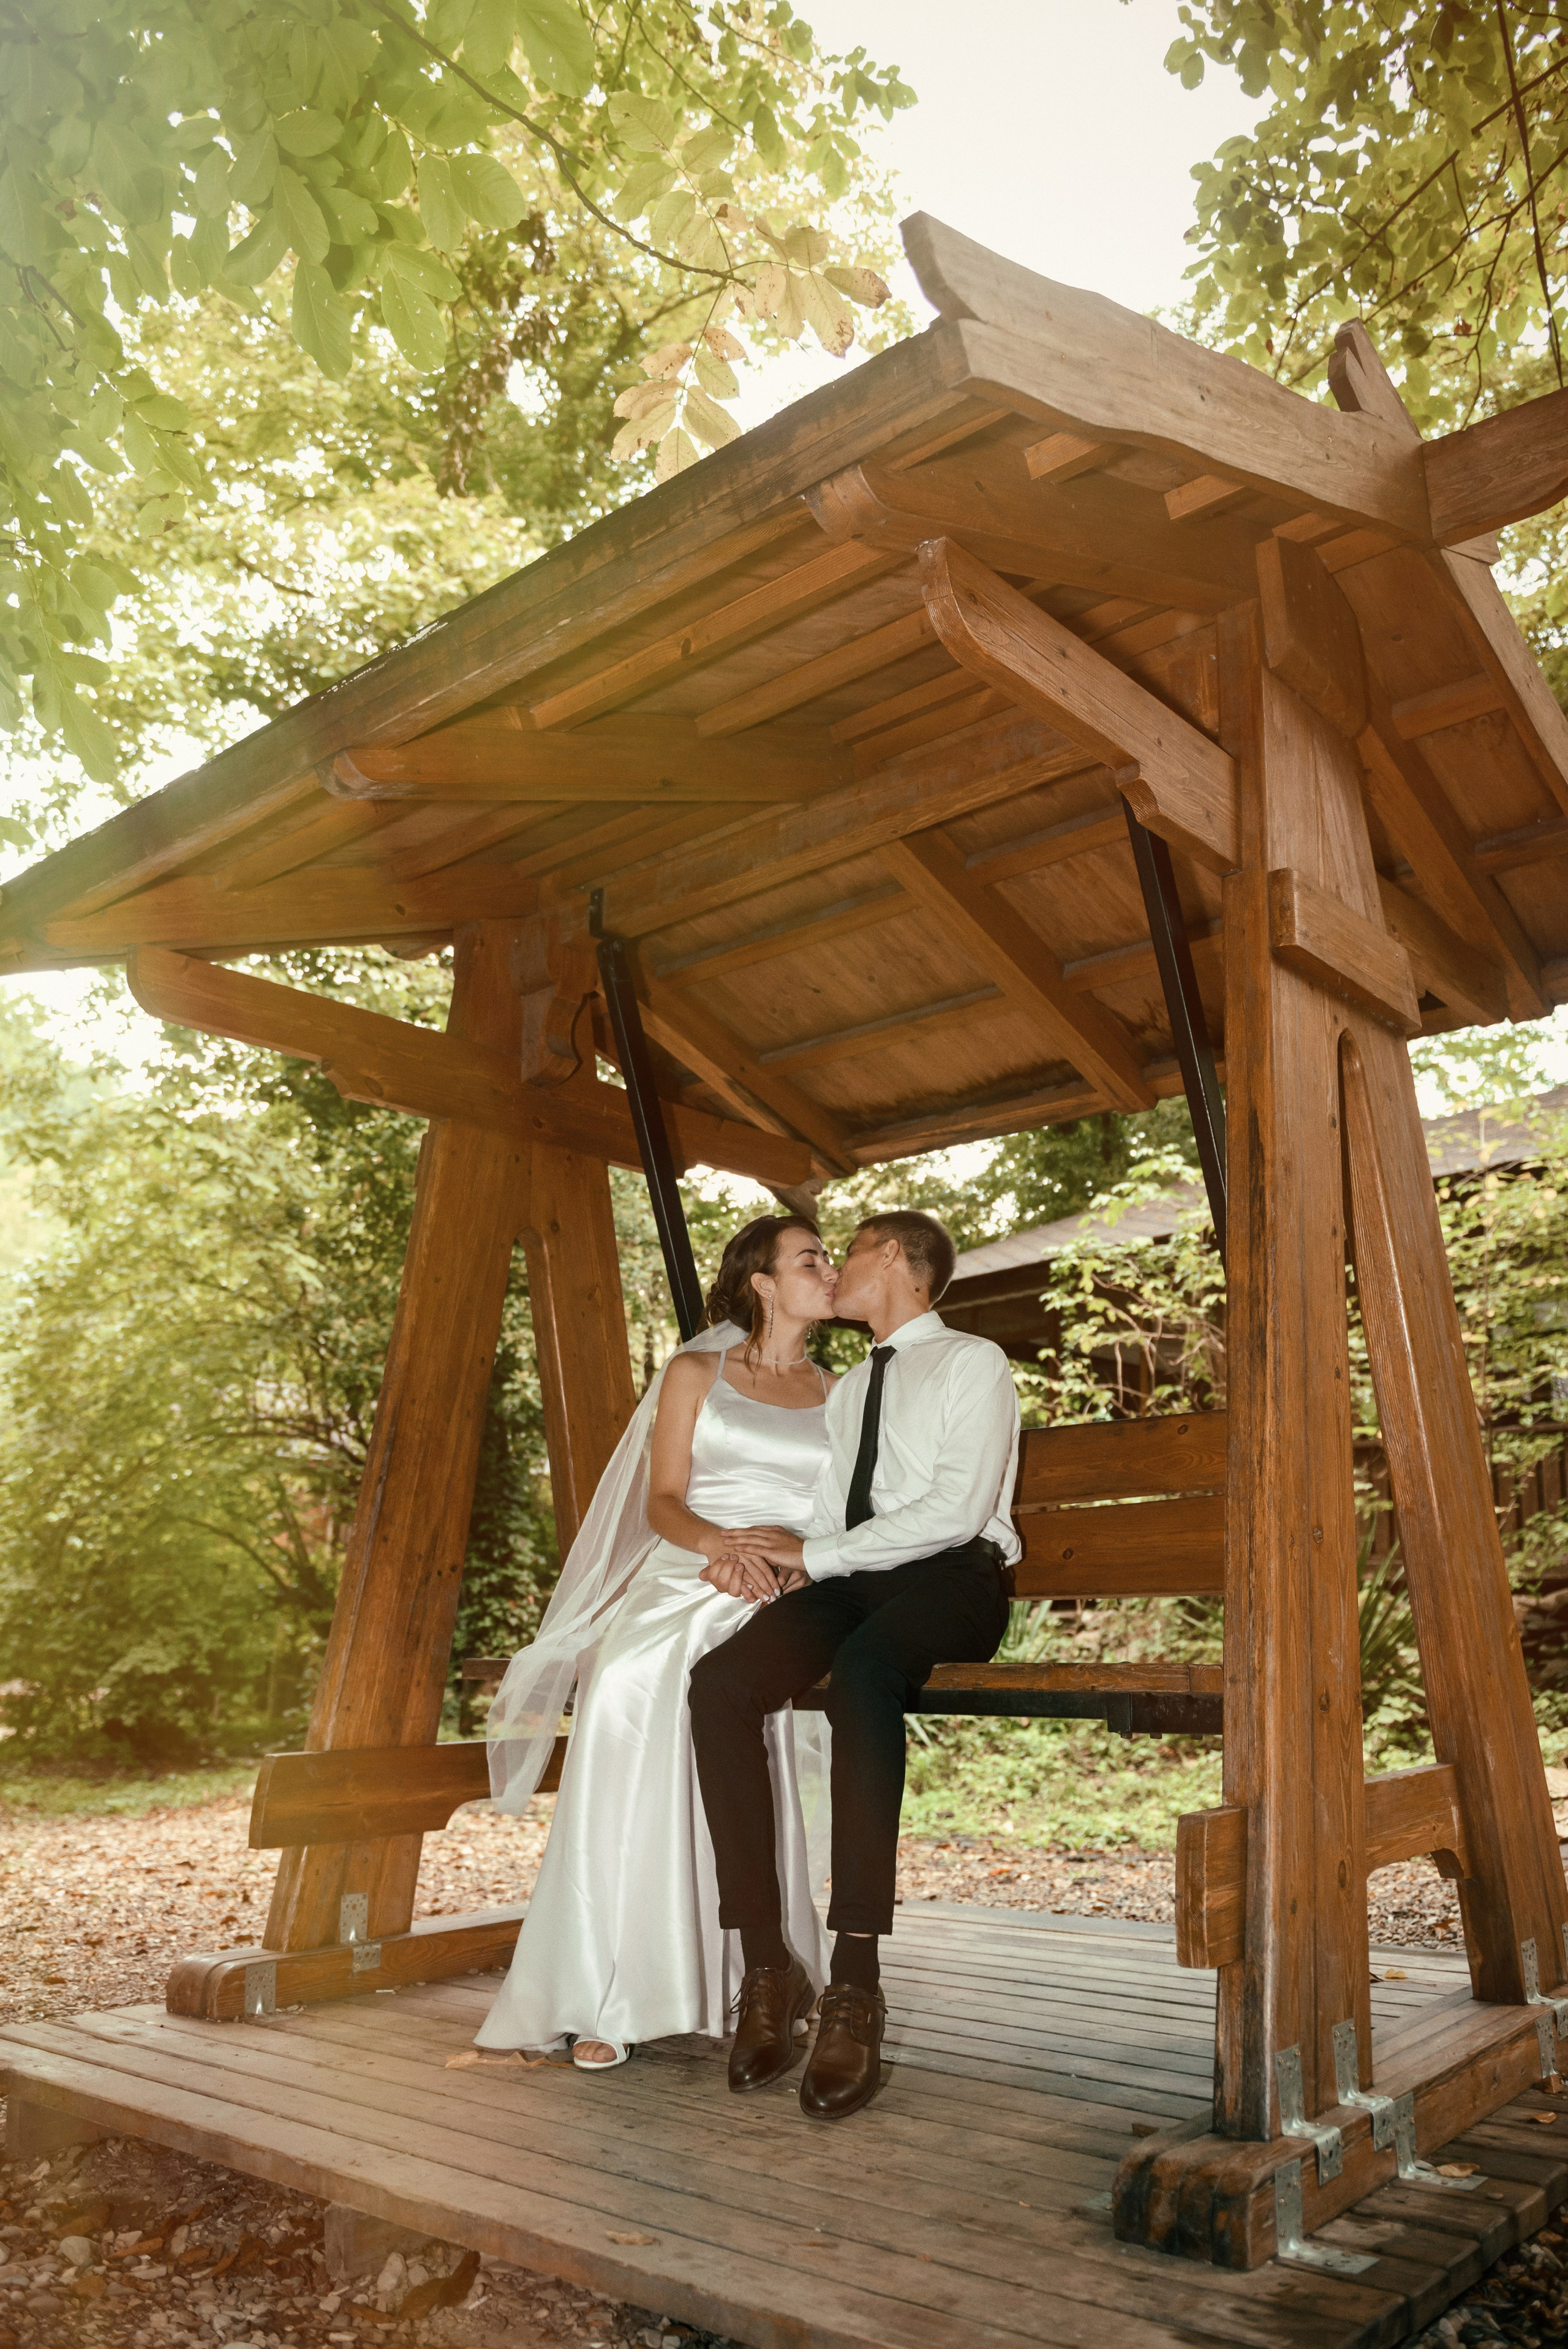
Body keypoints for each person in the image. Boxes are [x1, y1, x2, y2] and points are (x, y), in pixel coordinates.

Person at [477, 1214, 839, 2069]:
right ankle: (606, 1983)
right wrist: (720, 1548)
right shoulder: (694, 1373)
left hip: (783, 1585)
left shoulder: (838, 1394)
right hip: (691, 1569)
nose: (828, 1270)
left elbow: (843, 1519)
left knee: (723, 1679)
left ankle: (749, 1971)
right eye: (811, 1259)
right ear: (763, 1282)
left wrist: (793, 1568)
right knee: (628, 1679)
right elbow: (664, 1502)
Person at [690, 1208, 1020, 2121]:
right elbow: (834, 1523)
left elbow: (958, 1510)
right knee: (721, 1683)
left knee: (867, 1673)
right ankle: (768, 1964)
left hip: (954, 1580)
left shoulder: (971, 1364)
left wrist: (817, 1558)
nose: (834, 1271)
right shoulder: (847, 1391)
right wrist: (790, 1568)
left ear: (896, 1261)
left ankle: (856, 1984)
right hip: (856, 1575)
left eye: (851, 1252)